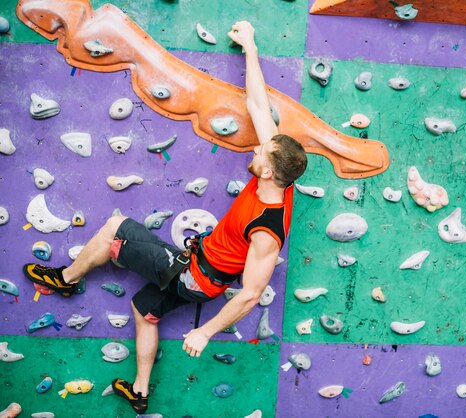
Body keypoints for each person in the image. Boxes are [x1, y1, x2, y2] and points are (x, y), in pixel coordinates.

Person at [22, 21, 307, 414]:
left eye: (261, 154)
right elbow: (259, 106)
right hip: (198, 270)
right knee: (144, 310)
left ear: (272, 170)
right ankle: (140, 391)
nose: (256, 152)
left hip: (195, 276)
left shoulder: (267, 232)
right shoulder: (282, 178)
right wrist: (251, 47)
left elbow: (251, 294)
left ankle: (66, 280)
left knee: (114, 229)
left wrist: (205, 333)